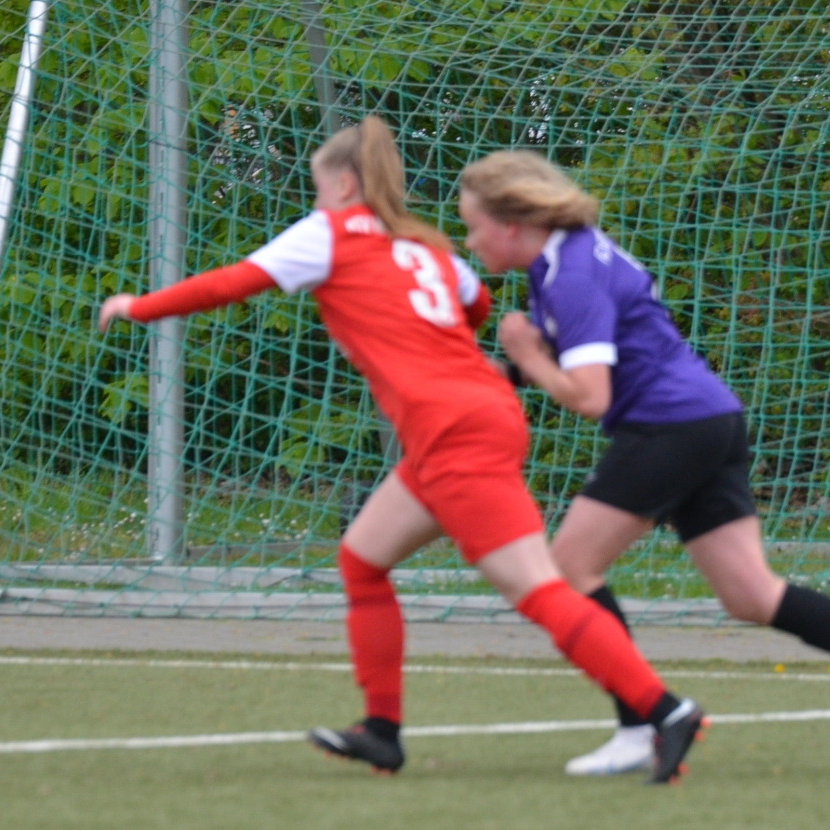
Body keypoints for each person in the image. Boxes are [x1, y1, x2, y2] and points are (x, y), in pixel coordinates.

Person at [100, 118, 707, 783]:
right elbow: (475, 305)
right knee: (363, 559)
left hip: (452, 431)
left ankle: (666, 710)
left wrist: (139, 306)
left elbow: (231, 282)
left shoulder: (329, 231)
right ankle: (382, 732)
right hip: (473, 416)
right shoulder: (427, 247)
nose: (318, 201)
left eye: (319, 188)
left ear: (344, 185)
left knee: (538, 588)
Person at [456, 150, 830, 776]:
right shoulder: (571, 255)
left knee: (570, 569)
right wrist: (499, 369)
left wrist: (527, 357)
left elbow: (590, 396)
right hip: (710, 419)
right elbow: (570, 355)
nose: (469, 240)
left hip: (669, 427)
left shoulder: (570, 274)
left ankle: (641, 726)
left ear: (511, 223)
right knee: (752, 595)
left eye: (474, 225)